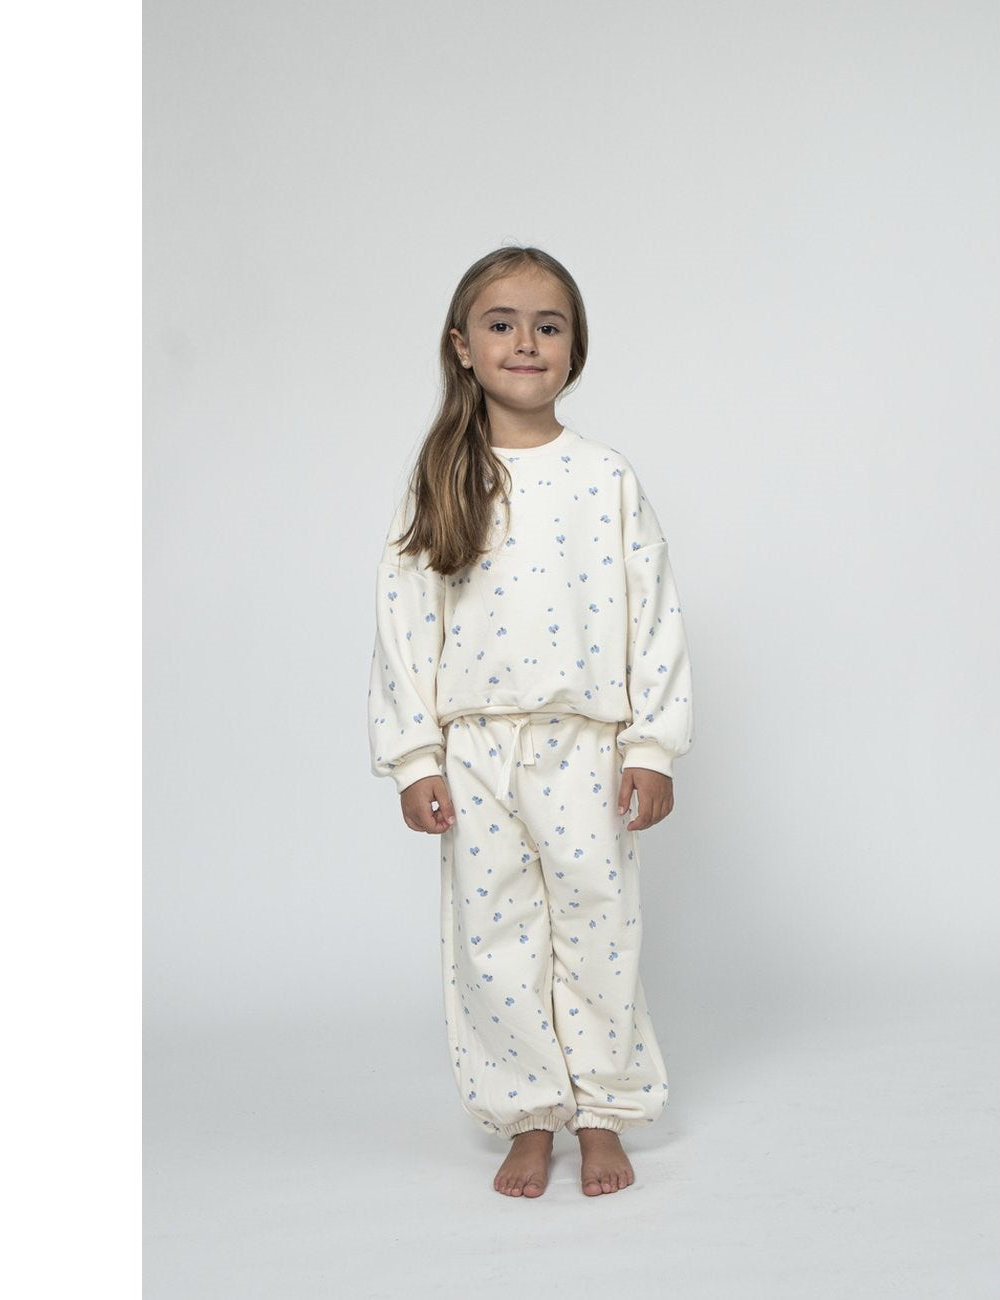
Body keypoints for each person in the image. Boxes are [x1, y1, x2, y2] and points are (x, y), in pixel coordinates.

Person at [366, 246, 694, 1199]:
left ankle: (602, 1112)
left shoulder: (605, 477)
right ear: (461, 346)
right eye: (501, 323)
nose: (525, 341)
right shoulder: (442, 478)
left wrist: (653, 744)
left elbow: (655, 614)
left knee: (598, 928)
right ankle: (528, 1112)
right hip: (473, 749)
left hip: (585, 743)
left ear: (574, 348)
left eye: (548, 326)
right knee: (494, 937)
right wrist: (415, 757)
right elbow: (403, 623)